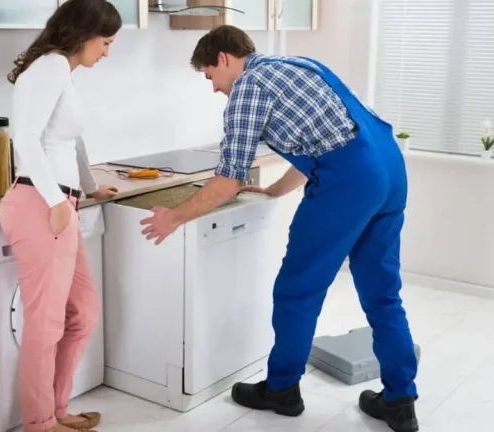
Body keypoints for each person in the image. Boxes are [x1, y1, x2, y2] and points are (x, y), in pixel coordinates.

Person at [139, 25, 420, 432]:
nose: (215, 88)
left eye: (209, 76)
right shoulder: (299, 64)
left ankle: (282, 389)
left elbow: (227, 180)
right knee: (382, 293)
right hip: (389, 169)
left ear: (223, 59)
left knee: (297, 290)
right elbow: (327, 141)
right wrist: (274, 188)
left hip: (350, 182)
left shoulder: (248, 88)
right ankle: (400, 400)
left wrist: (173, 217)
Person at [0, 1, 121, 431]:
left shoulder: (61, 72)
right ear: (84, 33)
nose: (107, 53)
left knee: (83, 311)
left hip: (60, 204)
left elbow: (69, 142)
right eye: (105, 43)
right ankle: (39, 423)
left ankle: (57, 409)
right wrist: (55, 201)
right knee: (46, 322)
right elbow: (25, 137)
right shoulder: (50, 66)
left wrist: (87, 188)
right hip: (38, 203)